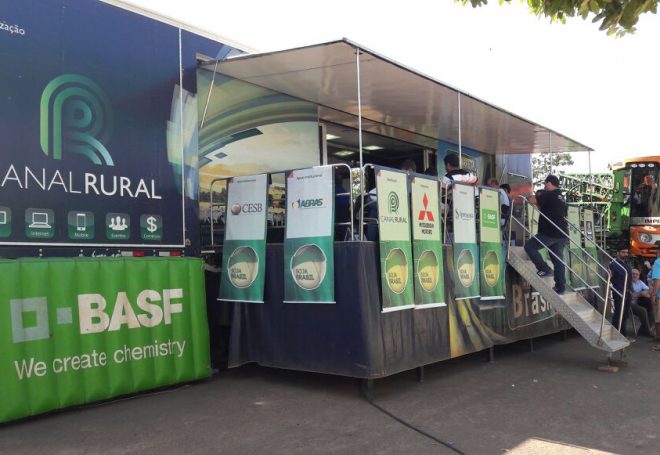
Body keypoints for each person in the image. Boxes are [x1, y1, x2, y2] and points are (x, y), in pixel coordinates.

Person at [523, 175, 568, 294]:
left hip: (550, 232)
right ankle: (560, 287)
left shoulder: (549, 195)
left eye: (545, 183)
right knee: (558, 260)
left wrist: (531, 196)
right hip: (562, 233)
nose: (544, 186)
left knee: (530, 246)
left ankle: (544, 268)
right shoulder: (561, 197)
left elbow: (532, 201)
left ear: (549, 183)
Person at [610, 245, 632, 338]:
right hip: (619, 292)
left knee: (625, 315)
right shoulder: (613, 264)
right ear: (618, 253)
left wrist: (631, 291)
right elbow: (609, 277)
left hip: (627, 293)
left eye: (626, 252)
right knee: (619, 313)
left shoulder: (627, 265)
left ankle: (622, 334)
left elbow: (630, 279)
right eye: (623, 252)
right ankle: (617, 334)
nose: (625, 254)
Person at [630, 268, 655, 337]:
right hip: (629, 304)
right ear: (630, 274)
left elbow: (649, 290)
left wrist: (644, 292)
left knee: (652, 310)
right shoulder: (628, 283)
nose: (635, 276)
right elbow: (631, 297)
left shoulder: (640, 282)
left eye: (637, 274)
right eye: (633, 274)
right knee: (643, 311)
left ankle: (642, 331)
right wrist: (640, 293)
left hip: (638, 303)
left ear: (639, 276)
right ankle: (648, 332)